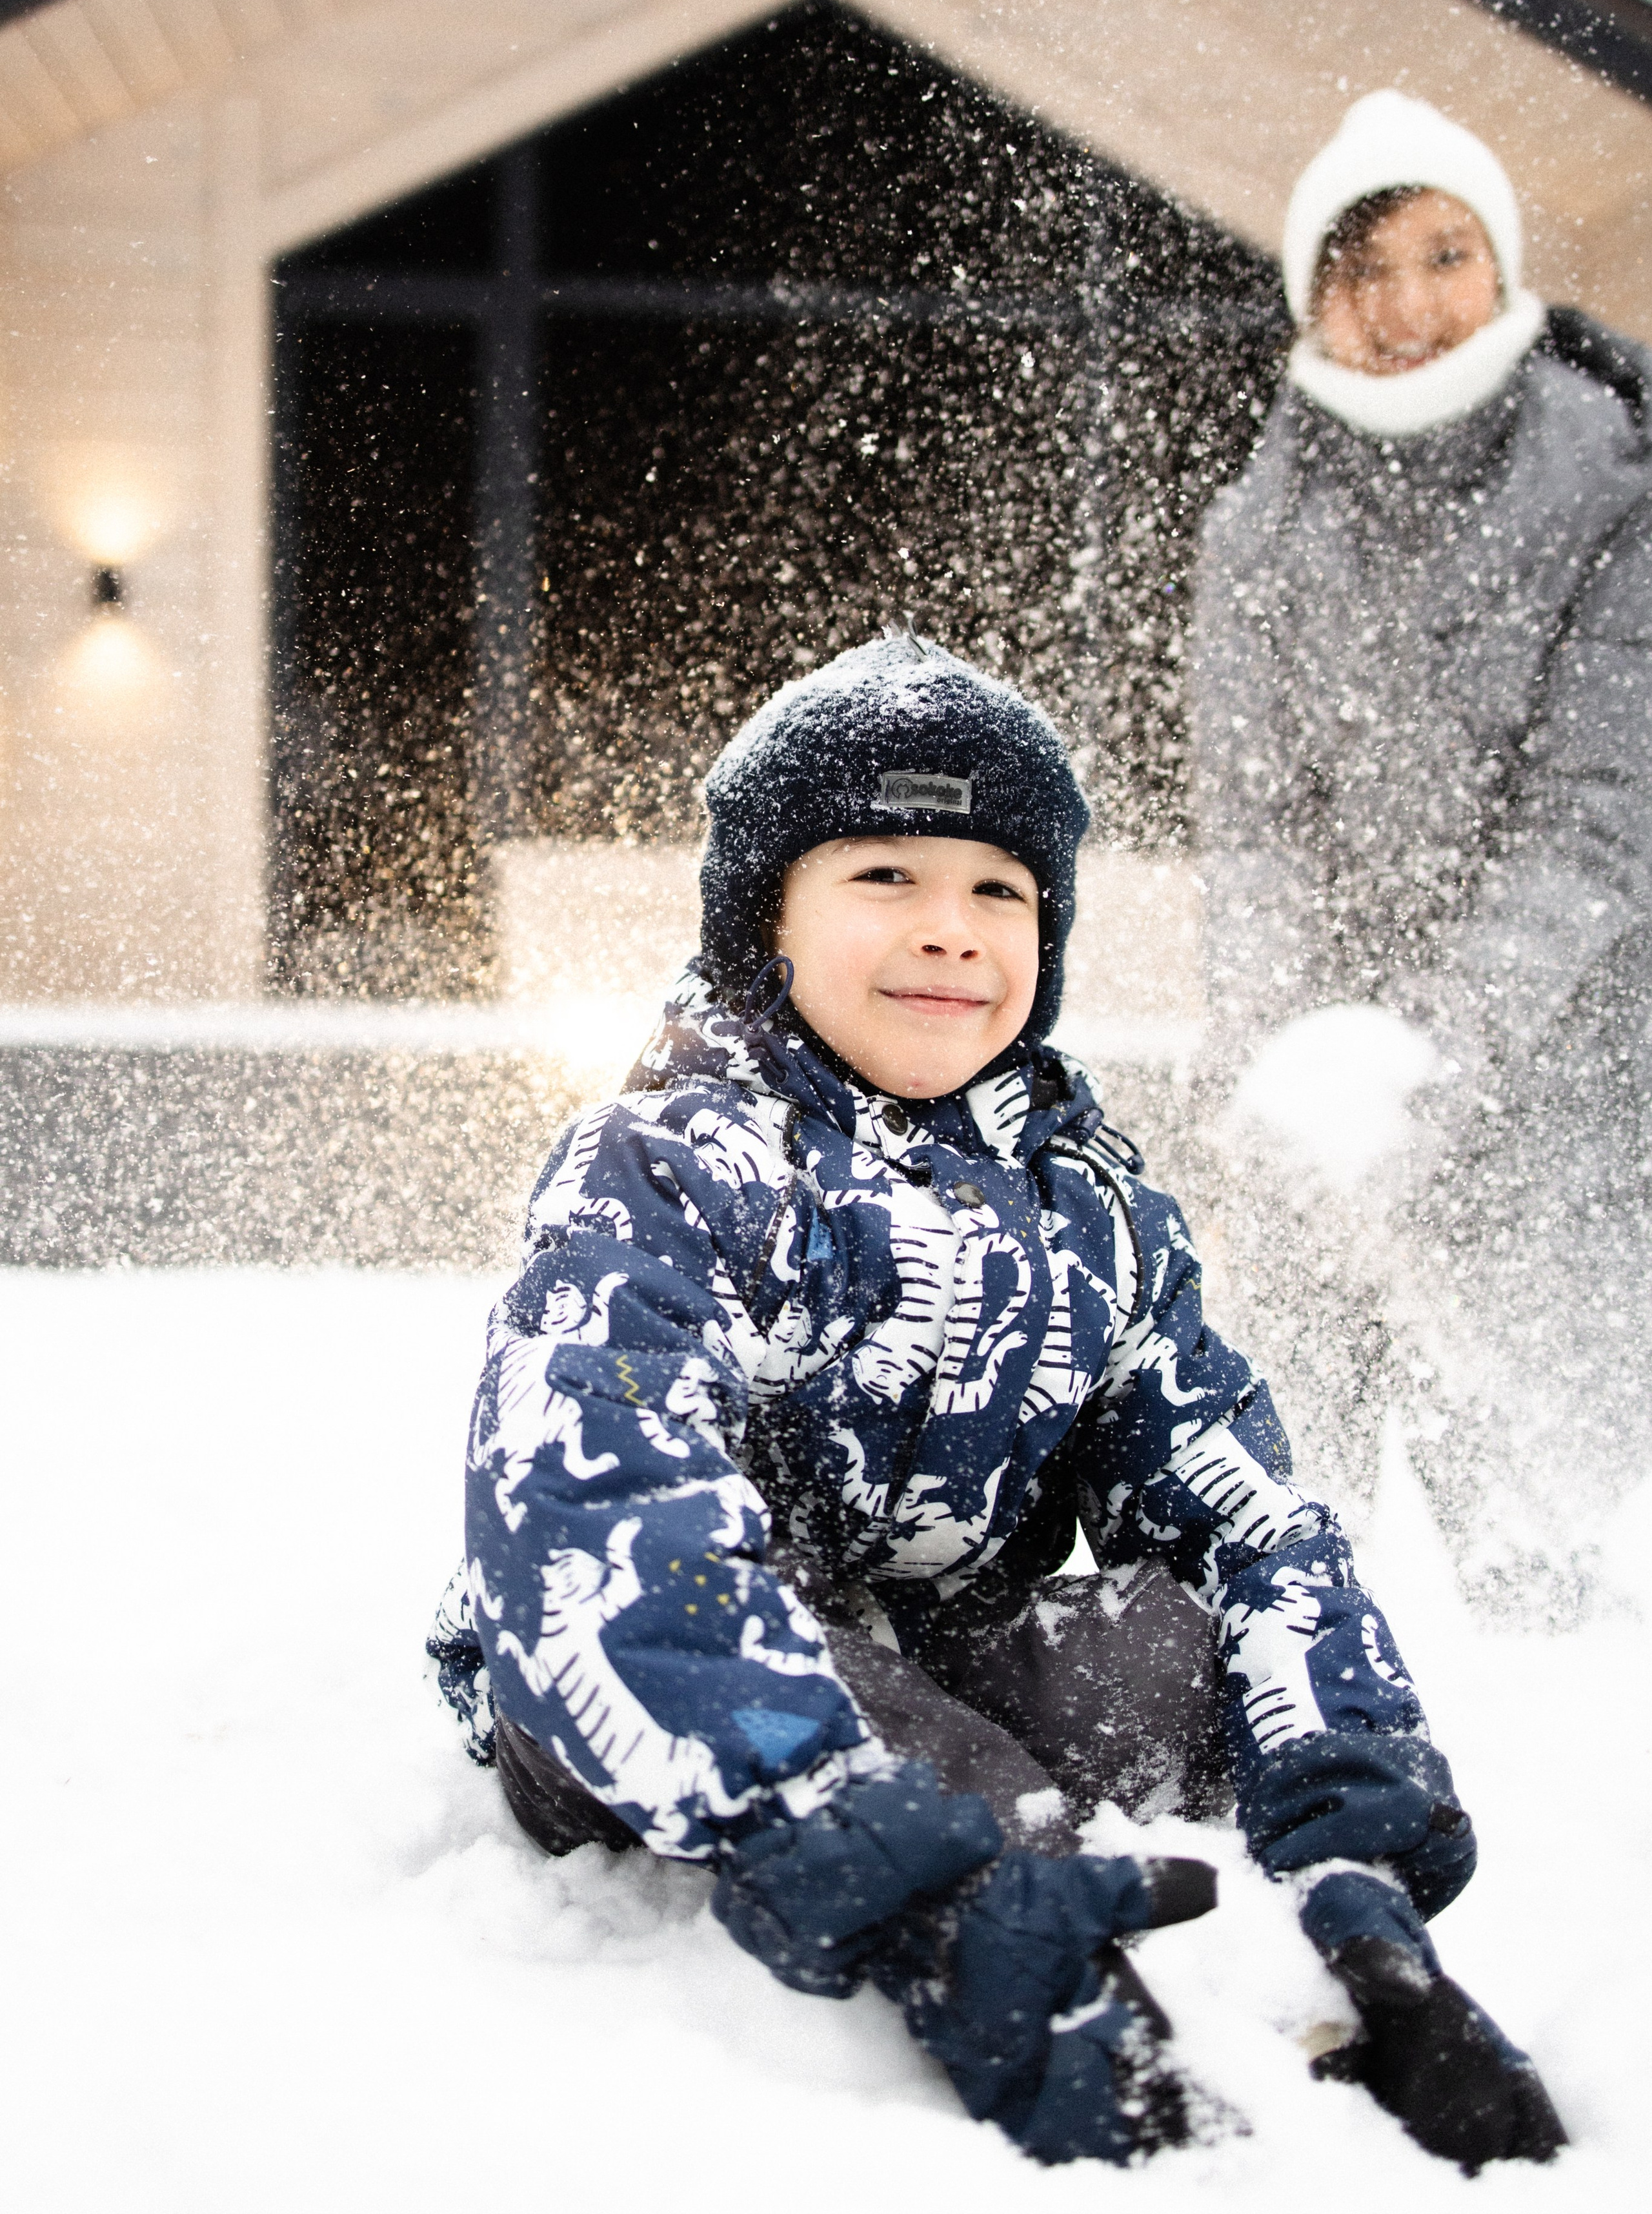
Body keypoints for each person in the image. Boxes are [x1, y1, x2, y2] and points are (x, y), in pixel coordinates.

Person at [429, 632, 1561, 2172]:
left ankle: (1313, 1971)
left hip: (936, 1661)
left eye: (998, 891)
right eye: (882, 876)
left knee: (1186, 1647)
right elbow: (597, 1506)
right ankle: (983, 1908)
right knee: (849, 1700)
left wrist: (1354, 1861)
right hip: (631, 1687)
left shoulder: (1091, 1215)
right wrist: (894, 1852)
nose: (948, 930)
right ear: (763, 918)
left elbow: (1245, 1520)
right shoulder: (668, 1166)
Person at [1194, 90, 1652, 1610]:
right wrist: (1276, 1056)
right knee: (1290, 1555)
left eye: (1442, 256)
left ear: (1501, 268)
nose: (1401, 308)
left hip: (1561, 1087)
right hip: (1327, 1118)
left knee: (1541, 1584)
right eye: (1359, 267)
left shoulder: (1615, 486)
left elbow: (1597, 824)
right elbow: (1254, 837)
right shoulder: (1256, 528)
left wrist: (1425, 1061)